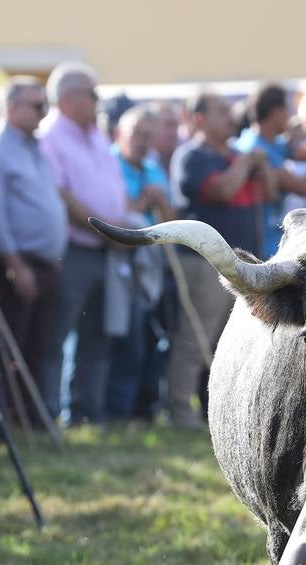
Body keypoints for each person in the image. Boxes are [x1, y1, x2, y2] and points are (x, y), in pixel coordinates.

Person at [168, 92, 270, 429]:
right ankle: (181, 411)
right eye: (222, 111)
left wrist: (261, 165)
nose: (232, 117)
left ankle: (220, 412)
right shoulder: (192, 157)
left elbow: (268, 193)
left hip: (242, 264)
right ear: (198, 119)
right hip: (204, 264)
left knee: (233, 340)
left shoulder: (240, 157)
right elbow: (223, 191)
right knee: (195, 337)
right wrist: (245, 162)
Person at [39, 62, 130, 424]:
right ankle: (50, 412)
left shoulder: (95, 135)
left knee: (97, 336)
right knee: (57, 336)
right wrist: (108, 228)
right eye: (92, 94)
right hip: (74, 249)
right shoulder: (50, 137)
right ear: (68, 98)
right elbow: (61, 195)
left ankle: (86, 413)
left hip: (104, 250)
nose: (98, 101)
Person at [0, 77, 69, 424]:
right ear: (12, 108)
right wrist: (14, 263)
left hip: (42, 263)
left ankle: (22, 418)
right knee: (5, 348)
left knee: (33, 346)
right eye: (37, 106)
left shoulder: (34, 145)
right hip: (15, 264)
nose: (44, 113)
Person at [109, 105, 174, 420]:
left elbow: (174, 220)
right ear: (121, 133)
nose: (143, 141)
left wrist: (160, 201)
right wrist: (140, 203)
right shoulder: (109, 164)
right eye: (137, 134)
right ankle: (115, 409)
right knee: (122, 335)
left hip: (151, 260)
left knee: (148, 336)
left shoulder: (154, 170)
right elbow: (113, 215)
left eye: (149, 135)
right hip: (117, 258)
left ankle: (141, 408)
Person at [234, 82, 306, 257]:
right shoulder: (255, 147)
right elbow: (303, 188)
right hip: (261, 245)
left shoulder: (272, 143)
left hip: (271, 239)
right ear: (276, 112)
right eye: (288, 109)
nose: (291, 115)